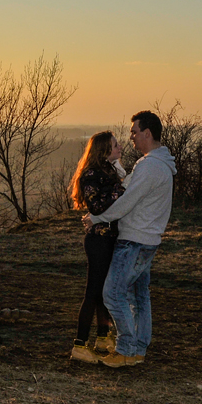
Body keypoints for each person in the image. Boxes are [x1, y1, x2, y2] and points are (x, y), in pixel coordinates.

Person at [83, 110, 176, 367]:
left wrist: (96, 218)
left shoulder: (150, 166)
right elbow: (126, 190)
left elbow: (126, 203)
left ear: (147, 133)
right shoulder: (158, 164)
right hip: (149, 239)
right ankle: (138, 350)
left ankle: (125, 350)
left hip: (134, 239)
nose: (131, 137)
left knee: (112, 293)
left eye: (134, 132)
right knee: (138, 296)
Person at [67, 131, 126, 363]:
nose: (120, 147)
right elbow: (97, 207)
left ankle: (102, 336)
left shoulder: (109, 170)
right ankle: (79, 345)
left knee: (103, 291)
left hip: (109, 237)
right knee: (92, 292)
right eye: (115, 144)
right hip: (98, 240)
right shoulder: (90, 175)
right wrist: (119, 191)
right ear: (103, 149)